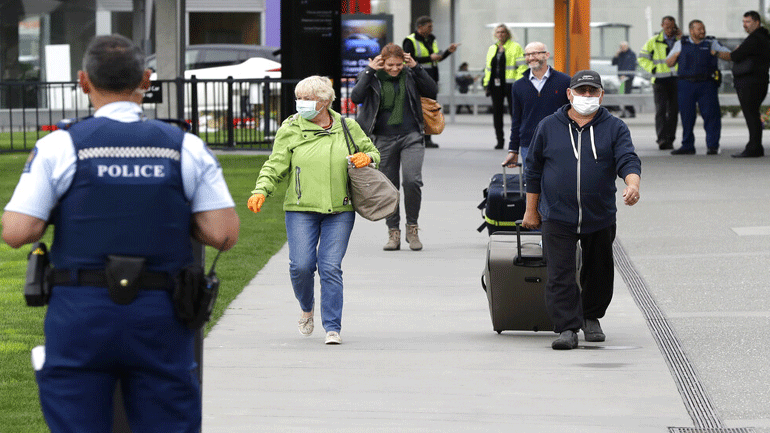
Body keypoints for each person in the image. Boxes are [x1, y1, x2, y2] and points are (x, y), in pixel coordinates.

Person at [1, 34, 240, 432]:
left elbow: (17, 231)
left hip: (80, 311)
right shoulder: (185, 147)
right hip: (162, 311)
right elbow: (223, 234)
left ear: (83, 82)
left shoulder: (59, 147)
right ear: (146, 80)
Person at [247, 76, 380, 345]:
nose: (301, 104)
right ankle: (306, 308)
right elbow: (275, 164)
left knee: (330, 266)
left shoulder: (347, 126)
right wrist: (261, 189)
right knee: (302, 266)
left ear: (325, 101)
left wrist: (368, 158)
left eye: (307, 99)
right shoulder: (291, 128)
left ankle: (332, 327)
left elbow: (373, 153)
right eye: (299, 98)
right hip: (301, 208)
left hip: (340, 209)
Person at [521, 70, 641, 350]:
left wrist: (633, 185)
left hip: (598, 214)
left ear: (601, 94)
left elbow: (628, 159)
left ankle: (591, 317)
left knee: (599, 270)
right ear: (569, 94)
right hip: (557, 214)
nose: (586, 96)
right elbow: (534, 169)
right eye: (581, 91)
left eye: (592, 91)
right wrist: (531, 210)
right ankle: (566, 327)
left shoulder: (615, 127)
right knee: (559, 273)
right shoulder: (549, 125)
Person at [350, 43, 438, 251]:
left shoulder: (410, 74)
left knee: (412, 180)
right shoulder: (370, 76)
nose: (394, 68)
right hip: (382, 138)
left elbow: (432, 90)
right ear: (381, 61)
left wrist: (417, 67)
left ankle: (412, 227)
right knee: (390, 187)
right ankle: (393, 232)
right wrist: (370, 70)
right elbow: (356, 97)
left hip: (411, 135)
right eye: (390, 65)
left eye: (398, 64)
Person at [666, 20, 731, 155]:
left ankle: (712, 145)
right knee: (687, 116)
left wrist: (717, 53)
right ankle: (688, 145)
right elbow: (669, 63)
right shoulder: (680, 44)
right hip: (686, 84)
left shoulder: (711, 43)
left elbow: (729, 56)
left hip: (707, 84)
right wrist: (675, 55)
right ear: (691, 31)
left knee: (711, 116)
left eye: (703, 29)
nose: (702, 32)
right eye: (699, 29)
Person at [502, 42, 570, 170]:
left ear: (547, 55)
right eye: (527, 54)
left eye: (535, 53)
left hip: (559, 142)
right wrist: (513, 149)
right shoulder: (518, 86)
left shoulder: (565, 82)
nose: (531, 57)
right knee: (532, 185)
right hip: (529, 144)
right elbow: (516, 119)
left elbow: (573, 114)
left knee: (557, 183)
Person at [715, 11, 770, 158]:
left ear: (757, 22)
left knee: (751, 115)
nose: (745, 25)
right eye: (743, 22)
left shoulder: (755, 39)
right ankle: (755, 146)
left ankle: (754, 147)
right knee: (753, 114)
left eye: (748, 22)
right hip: (758, 81)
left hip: (750, 83)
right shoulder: (763, 37)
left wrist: (716, 53)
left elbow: (734, 56)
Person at [403, 15, 459, 148]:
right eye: (429, 26)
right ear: (420, 27)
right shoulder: (410, 40)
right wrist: (429, 57)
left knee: (430, 108)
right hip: (417, 79)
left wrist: (447, 53)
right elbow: (407, 59)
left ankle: (428, 138)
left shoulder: (431, 39)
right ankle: (418, 138)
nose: (432, 29)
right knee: (418, 109)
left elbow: (435, 59)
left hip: (431, 79)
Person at [638, 16, 681, 150]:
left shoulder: (680, 41)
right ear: (662, 25)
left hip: (676, 80)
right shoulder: (654, 41)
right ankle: (662, 139)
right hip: (659, 80)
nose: (669, 30)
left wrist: (681, 38)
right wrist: (653, 68)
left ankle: (670, 138)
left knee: (673, 111)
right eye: (667, 27)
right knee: (661, 111)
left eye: (672, 27)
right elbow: (642, 58)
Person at [482, 24, 527, 149]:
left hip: (511, 85)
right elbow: (488, 68)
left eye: (503, 32)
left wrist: (517, 84)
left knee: (515, 114)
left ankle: (516, 140)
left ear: (507, 33)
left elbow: (522, 67)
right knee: (497, 113)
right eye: (498, 32)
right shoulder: (492, 48)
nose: (500, 34)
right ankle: (499, 140)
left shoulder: (515, 47)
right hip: (496, 85)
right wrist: (486, 84)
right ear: (495, 34)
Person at [612, 41, 638, 118]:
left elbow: (631, 65)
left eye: (623, 46)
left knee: (627, 94)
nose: (622, 48)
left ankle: (630, 111)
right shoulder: (620, 55)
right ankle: (628, 111)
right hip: (621, 78)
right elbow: (613, 63)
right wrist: (616, 55)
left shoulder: (631, 54)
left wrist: (625, 74)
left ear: (627, 46)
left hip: (628, 77)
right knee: (623, 94)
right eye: (621, 47)